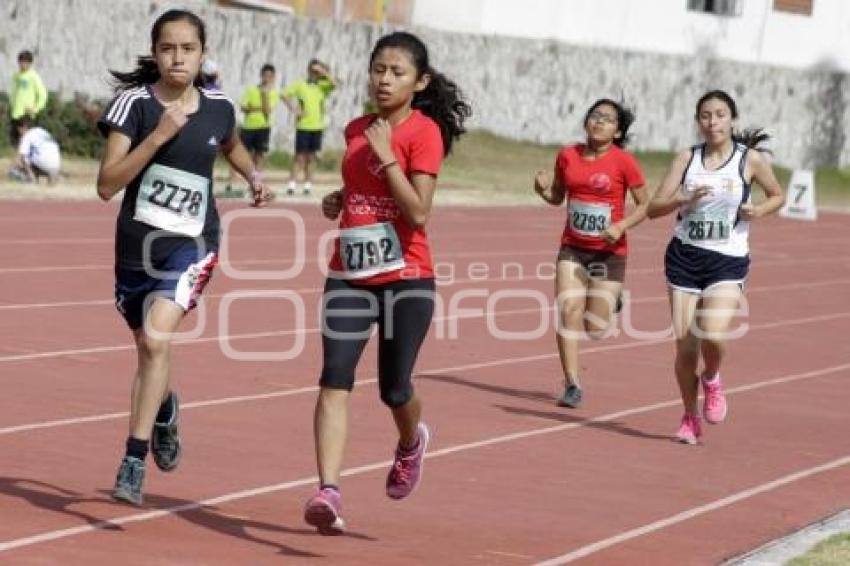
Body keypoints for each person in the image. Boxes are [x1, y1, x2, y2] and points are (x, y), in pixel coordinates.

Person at [95, 9, 271, 506]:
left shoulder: (218, 107)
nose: (178, 58)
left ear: (202, 53)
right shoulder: (133, 106)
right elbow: (107, 185)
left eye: (188, 49)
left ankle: (133, 459)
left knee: (156, 339)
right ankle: (165, 407)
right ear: (155, 54)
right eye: (168, 49)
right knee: (150, 349)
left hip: (192, 246)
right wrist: (157, 137)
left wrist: (252, 177)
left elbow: (232, 146)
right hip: (135, 253)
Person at [303, 31, 471, 535]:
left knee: (394, 389)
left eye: (397, 72)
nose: (384, 79)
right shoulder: (357, 127)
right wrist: (340, 200)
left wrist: (389, 156)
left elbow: (418, 212)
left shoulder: (424, 134)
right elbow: (364, 190)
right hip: (350, 274)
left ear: (419, 82)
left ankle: (410, 441)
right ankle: (328, 489)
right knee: (335, 375)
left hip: (407, 277)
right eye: (378, 68)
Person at [647, 89, 784, 445]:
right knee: (685, 347)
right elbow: (654, 207)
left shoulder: (748, 160)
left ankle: (712, 377)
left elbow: (777, 195)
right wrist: (682, 198)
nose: (713, 122)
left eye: (720, 115)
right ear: (698, 122)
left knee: (714, 331)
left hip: (727, 258)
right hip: (684, 258)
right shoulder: (686, 158)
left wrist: (759, 210)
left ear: (732, 119)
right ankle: (690, 417)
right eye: (706, 116)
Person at [533, 99, 649, 408]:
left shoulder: (624, 162)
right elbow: (558, 197)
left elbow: (645, 205)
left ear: (618, 130)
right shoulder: (567, 155)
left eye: (607, 119)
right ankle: (572, 382)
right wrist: (542, 190)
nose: (599, 122)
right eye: (594, 116)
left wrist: (621, 225)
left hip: (608, 252)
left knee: (595, 329)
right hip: (572, 248)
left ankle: (611, 300)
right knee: (567, 311)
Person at [282, 59, 336, 196]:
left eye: (316, 71)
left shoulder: (323, 86)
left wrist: (323, 72)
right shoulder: (300, 85)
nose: (314, 73)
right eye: (312, 70)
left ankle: (307, 185)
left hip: (317, 126)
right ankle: (292, 184)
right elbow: (284, 95)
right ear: (308, 70)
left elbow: (335, 84)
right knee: (299, 156)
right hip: (303, 126)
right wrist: (294, 108)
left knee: (312, 157)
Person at [238, 63, 280, 173]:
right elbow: (243, 107)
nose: (267, 78)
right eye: (265, 75)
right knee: (242, 154)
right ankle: (235, 180)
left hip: (263, 127)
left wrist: (264, 95)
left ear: (273, 77)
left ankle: (258, 179)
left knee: (259, 154)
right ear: (261, 75)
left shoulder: (274, 93)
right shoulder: (251, 89)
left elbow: (267, 110)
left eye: (270, 76)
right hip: (248, 126)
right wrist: (258, 108)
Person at [8, 50, 48, 146]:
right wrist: (12, 104)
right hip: (15, 112)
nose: (23, 64)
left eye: (26, 62)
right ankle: (19, 159)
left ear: (30, 63)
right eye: (21, 62)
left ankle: (25, 159)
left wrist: (36, 108)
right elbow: (13, 92)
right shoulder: (16, 76)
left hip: (27, 112)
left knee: (25, 138)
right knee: (16, 140)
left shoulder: (33, 76)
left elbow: (42, 94)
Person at [8, 117, 61, 184]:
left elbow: (21, 156)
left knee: (17, 167)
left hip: (44, 163)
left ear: (20, 128)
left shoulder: (26, 136)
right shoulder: (42, 131)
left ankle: (32, 178)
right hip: (56, 165)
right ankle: (51, 179)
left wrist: (16, 167)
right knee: (39, 153)